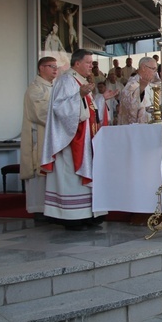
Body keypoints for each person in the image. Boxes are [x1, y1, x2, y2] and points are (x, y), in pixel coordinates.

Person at [41, 49, 114, 230]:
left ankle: (88, 215)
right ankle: (72, 217)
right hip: (70, 140)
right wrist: (79, 95)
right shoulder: (66, 80)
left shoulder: (81, 81)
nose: (92, 65)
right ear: (77, 63)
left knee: (85, 177)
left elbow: (89, 110)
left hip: (85, 136)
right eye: (88, 62)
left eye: (92, 62)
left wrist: (101, 99)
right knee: (71, 178)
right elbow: (60, 108)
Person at [21, 57, 57, 218]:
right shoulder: (34, 89)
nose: (55, 70)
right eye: (52, 66)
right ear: (42, 68)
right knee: (39, 171)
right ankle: (39, 210)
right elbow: (39, 112)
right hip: (39, 137)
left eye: (56, 67)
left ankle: (52, 208)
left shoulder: (54, 87)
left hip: (52, 137)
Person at [118, 57, 158, 125]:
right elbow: (128, 106)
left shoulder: (151, 84)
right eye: (153, 69)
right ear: (143, 67)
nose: (155, 72)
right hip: (136, 129)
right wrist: (141, 90)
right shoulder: (132, 84)